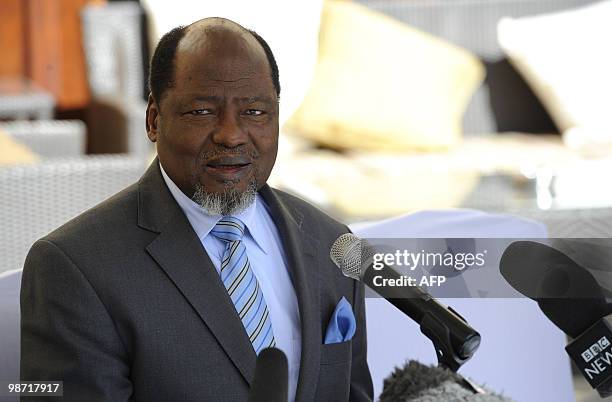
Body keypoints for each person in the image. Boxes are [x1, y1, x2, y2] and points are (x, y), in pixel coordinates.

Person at [20, 17, 373, 402]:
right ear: (154, 120)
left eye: (255, 112)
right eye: (202, 111)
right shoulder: (75, 267)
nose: (232, 134)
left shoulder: (333, 243)